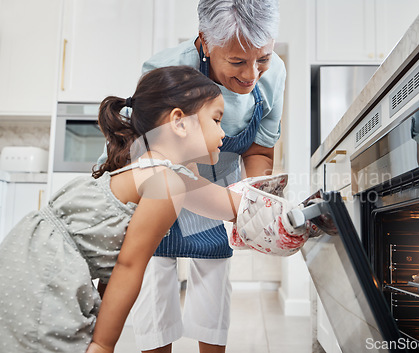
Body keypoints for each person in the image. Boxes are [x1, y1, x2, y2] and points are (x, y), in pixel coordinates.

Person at [0, 65, 243, 353]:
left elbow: (223, 202)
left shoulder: (149, 167)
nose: (224, 133)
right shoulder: (167, 183)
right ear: (179, 122)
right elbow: (128, 267)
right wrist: (103, 344)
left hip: (26, 256)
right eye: (216, 120)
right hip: (43, 271)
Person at [96, 1, 286, 352]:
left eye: (263, 58)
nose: (251, 75)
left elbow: (259, 149)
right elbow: (159, 158)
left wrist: (258, 199)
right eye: (237, 61)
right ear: (206, 42)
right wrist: (236, 206)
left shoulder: (273, 76)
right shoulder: (167, 68)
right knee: (154, 271)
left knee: (213, 280)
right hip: (160, 174)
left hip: (220, 176)